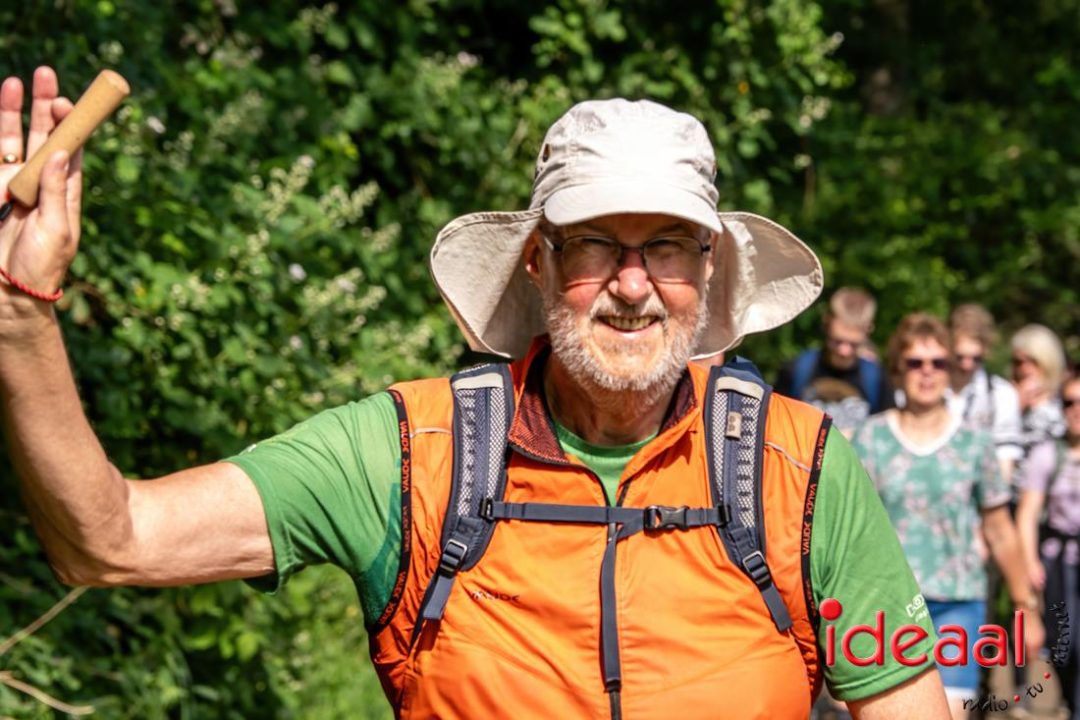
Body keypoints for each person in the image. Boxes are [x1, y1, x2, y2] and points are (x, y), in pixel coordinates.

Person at [0, 67, 950, 718]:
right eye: (595, 244)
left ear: (708, 271)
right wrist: (18, 314)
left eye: (666, 246)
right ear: (539, 262)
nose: (632, 285)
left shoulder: (799, 469)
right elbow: (112, 541)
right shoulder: (411, 456)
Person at [850, 313, 1043, 720]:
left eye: (938, 362)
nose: (927, 372)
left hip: (957, 603)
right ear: (897, 369)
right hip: (887, 608)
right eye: (915, 362)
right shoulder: (870, 438)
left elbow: (1000, 530)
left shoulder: (975, 442)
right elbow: (850, 533)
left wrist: (1025, 605)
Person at [1016, 376, 1080, 719]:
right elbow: (1027, 513)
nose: (1076, 410)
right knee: (1061, 644)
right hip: (1058, 562)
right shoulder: (1046, 454)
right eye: (1069, 402)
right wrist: (1030, 563)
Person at [776, 287, 893, 434]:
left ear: (868, 330)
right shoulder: (798, 370)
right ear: (827, 324)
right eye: (837, 341)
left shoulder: (876, 378)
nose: (844, 351)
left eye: (853, 344)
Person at [947, 304, 1024, 482]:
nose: (967, 365)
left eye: (976, 358)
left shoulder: (1001, 394)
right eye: (960, 357)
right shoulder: (930, 389)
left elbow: (1005, 461)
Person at [1011, 323, 1068, 452]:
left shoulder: (1068, 401)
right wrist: (1015, 407)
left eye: (1033, 361)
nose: (1025, 369)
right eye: (1018, 362)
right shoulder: (1006, 399)